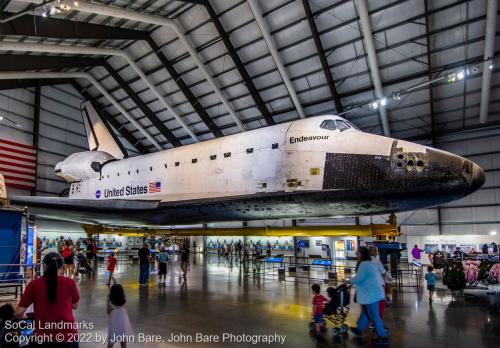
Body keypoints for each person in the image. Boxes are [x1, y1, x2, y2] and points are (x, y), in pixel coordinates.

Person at [16, 252, 80, 347]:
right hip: (68, 335)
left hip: (44, 336)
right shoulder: (69, 283)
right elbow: (75, 306)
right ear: (62, 266)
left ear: (44, 266)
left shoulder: (34, 285)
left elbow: (18, 312)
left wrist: (25, 317)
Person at [347, 247, 388, 346]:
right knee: (367, 313)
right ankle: (359, 329)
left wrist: (348, 281)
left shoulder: (364, 264)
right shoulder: (369, 263)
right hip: (371, 294)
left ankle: (383, 336)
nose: (357, 255)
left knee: (374, 316)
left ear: (362, 254)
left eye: (358, 253)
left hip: (371, 295)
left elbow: (358, 279)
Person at [368, 245, 387, 319]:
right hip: (378, 285)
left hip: (368, 286)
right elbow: (383, 273)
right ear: (375, 252)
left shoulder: (364, 261)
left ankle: (370, 320)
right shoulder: (376, 260)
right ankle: (377, 322)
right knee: (380, 304)